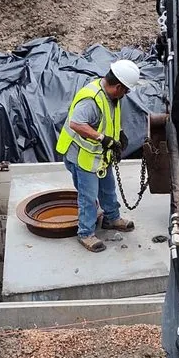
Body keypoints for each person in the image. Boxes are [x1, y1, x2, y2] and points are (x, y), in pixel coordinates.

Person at [56, 59, 140, 252]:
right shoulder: (91, 99)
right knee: (88, 196)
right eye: (126, 90)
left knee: (108, 188)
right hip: (82, 156)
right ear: (118, 86)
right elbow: (76, 124)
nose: (126, 94)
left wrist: (119, 135)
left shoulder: (113, 97)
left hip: (100, 155)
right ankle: (85, 233)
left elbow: (110, 118)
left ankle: (112, 218)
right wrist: (102, 138)